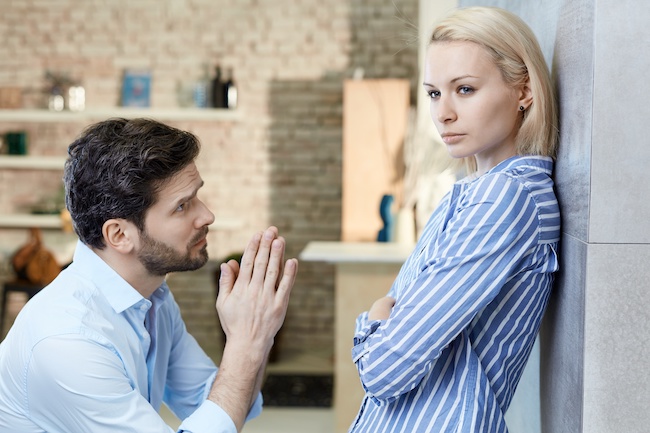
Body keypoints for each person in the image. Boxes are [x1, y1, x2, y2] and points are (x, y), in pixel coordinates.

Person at [0, 117, 298, 433]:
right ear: (119, 235)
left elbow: (220, 402)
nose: (207, 215)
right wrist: (246, 341)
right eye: (182, 206)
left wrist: (258, 330)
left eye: (196, 196)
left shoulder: (152, 297)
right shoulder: (66, 340)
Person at [349, 6, 559, 433]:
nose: (443, 113)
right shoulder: (474, 194)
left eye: (464, 89)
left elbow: (385, 370)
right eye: (433, 93)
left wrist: (373, 319)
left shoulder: (506, 198)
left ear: (524, 91)